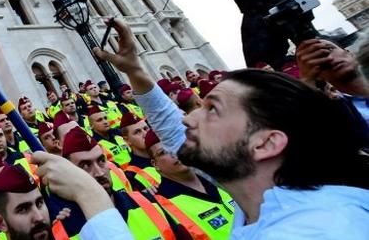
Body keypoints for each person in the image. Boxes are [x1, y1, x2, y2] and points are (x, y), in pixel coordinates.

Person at [93, 17, 369, 238]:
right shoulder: (262, 204)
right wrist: (134, 70)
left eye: (212, 110)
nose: (188, 119)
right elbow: (171, 126)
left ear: (265, 143)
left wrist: (90, 199)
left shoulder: (318, 228)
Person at [62, 127, 179, 239]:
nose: (99, 173)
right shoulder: (68, 229)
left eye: (101, 161)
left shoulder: (145, 200)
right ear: (69, 174)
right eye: (85, 166)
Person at [144, 129, 235, 239]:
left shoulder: (216, 175)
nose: (173, 153)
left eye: (175, 145)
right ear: (155, 164)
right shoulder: (160, 202)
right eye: (163, 152)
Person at [118, 113, 160, 191]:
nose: (145, 134)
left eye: (146, 128)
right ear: (127, 140)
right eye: (137, 132)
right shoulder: (131, 174)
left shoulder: (165, 155)